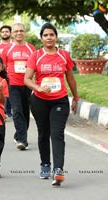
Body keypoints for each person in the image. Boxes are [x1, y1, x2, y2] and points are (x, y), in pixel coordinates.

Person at [24, 23, 79, 186]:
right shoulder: (36, 55)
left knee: (57, 133)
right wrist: (38, 87)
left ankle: (58, 169)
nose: (49, 37)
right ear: (41, 38)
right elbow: (26, 79)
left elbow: (70, 77)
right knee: (43, 133)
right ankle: (45, 165)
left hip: (59, 100)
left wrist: (75, 97)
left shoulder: (64, 55)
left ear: (56, 37)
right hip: (39, 101)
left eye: (52, 35)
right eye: (46, 35)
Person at [1, 23, 36, 150]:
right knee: (17, 110)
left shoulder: (31, 48)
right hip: (13, 84)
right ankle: (22, 140)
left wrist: (36, 84)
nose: (19, 33)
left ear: (25, 32)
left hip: (27, 85)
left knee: (25, 112)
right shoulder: (7, 49)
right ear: (12, 34)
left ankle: (19, 134)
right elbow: (2, 68)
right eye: (16, 31)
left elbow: (35, 67)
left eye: (21, 31)